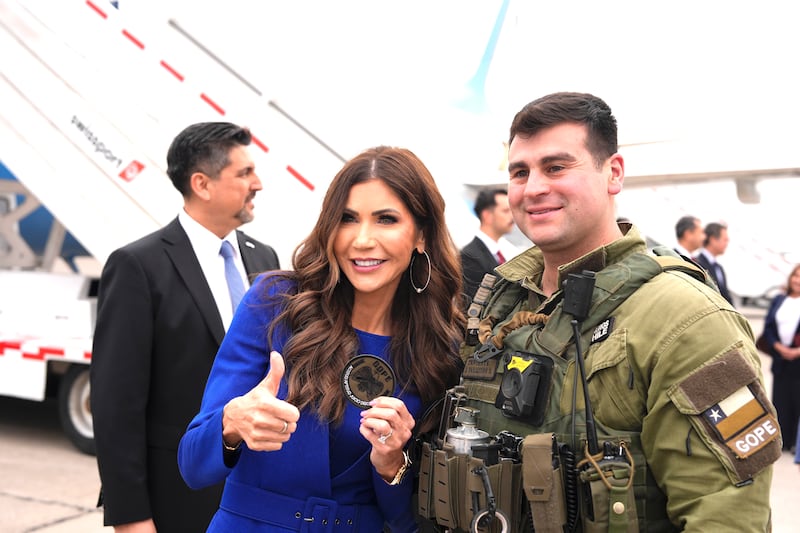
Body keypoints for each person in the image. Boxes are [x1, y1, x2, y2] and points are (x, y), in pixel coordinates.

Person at [419, 92, 780, 532]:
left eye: (556, 167)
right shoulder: (502, 303)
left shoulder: (687, 319)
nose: (533, 188)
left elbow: (726, 515)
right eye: (520, 172)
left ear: (613, 173)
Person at [178, 146, 465, 532]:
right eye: (348, 219)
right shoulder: (275, 303)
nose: (362, 239)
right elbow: (193, 464)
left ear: (422, 236)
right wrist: (232, 422)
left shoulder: (439, 348)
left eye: (386, 219)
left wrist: (393, 463)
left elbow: (407, 522)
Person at [91, 122, 281, 532]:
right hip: (177, 501)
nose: (258, 184)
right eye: (244, 173)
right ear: (202, 184)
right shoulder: (138, 267)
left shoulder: (264, 260)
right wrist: (131, 516)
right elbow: (115, 407)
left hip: (256, 500)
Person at [760, 264, 800, 451]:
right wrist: (777, 346)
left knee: (797, 400)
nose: (797, 280)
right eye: (795, 276)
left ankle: (795, 443)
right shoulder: (779, 300)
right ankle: (781, 440)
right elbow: (768, 326)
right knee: (780, 400)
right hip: (780, 359)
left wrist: (797, 351)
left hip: (798, 358)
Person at [459, 187, 515, 303]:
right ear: (487, 216)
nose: (512, 217)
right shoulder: (470, 256)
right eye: (505, 211)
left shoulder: (499, 253)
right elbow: (472, 305)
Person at [694, 222, 734, 306]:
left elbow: (725, 296)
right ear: (713, 239)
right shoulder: (697, 264)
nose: (727, 244)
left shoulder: (719, 268)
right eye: (725, 240)